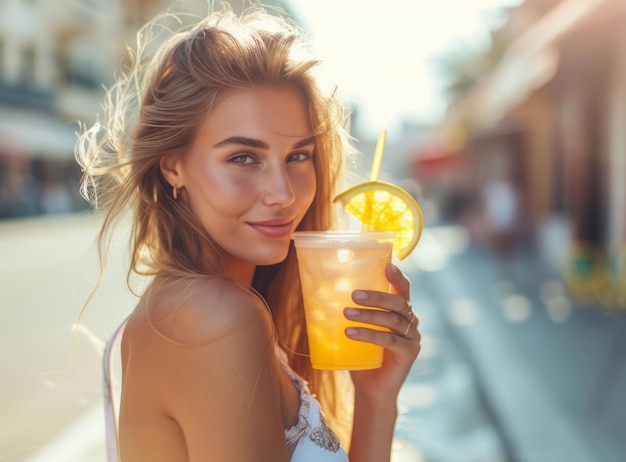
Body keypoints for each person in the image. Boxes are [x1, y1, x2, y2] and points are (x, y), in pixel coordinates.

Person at [76, 4, 421, 461]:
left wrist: (376, 398)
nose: (283, 193)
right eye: (243, 157)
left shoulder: (197, 305)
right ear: (173, 165)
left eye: (299, 156)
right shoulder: (219, 318)